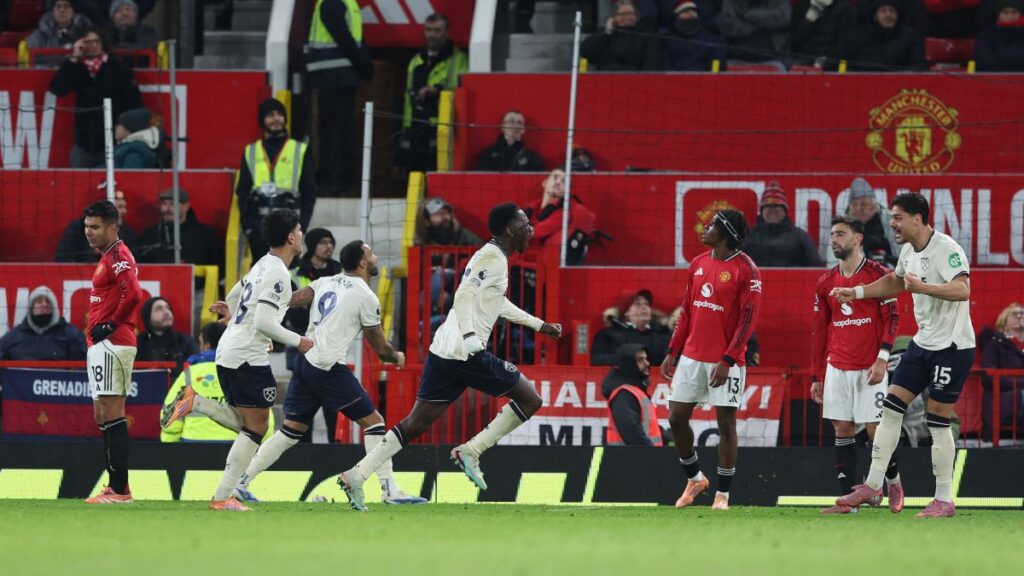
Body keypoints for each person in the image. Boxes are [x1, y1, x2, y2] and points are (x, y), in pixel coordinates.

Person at [337, 203, 564, 511]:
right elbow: (464, 294)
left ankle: (357, 474)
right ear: (510, 230)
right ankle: (472, 450)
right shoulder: (491, 258)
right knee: (530, 400)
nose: (530, 230)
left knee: (416, 423)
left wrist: (539, 325)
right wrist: (472, 338)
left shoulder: (493, 256)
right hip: (464, 352)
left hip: (444, 349)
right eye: (525, 225)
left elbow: (497, 302)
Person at [220, 241, 426, 505]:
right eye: (371, 254)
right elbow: (380, 347)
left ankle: (242, 482)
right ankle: (389, 490)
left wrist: (243, 311)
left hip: (306, 362)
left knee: (291, 431)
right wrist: (396, 357)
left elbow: (290, 300)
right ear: (363, 263)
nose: (375, 257)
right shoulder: (366, 297)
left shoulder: (325, 281)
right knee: (374, 422)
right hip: (327, 366)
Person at [834, 192, 974, 518]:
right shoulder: (908, 250)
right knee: (891, 407)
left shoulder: (947, 249)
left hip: (952, 347)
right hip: (923, 345)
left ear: (917, 218)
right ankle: (872, 484)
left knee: (937, 421)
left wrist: (924, 288)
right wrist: (856, 292)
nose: (892, 223)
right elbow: (896, 283)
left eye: (897, 217)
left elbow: (963, 289)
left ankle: (943, 499)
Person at [195, 209, 314, 511]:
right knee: (257, 427)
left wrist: (232, 312)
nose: (301, 235)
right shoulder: (279, 274)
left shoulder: (264, 263)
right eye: (299, 230)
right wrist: (298, 341)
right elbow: (263, 322)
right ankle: (223, 497)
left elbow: (236, 292)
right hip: (247, 355)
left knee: (253, 425)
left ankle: (200, 405)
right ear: (290, 237)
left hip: (231, 350)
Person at [662, 209, 760, 511]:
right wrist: (672, 351)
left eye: (713, 225)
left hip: (725, 361)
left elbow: (748, 321)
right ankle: (695, 478)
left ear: (727, 232)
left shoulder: (747, 270)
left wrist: (728, 359)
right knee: (676, 417)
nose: (705, 228)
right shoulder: (698, 264)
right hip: (691, 357)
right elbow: (687, 312)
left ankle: (723, 495)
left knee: (725, 424)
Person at [811, 216, 903, 514]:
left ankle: (894, 482)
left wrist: (882, 358)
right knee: (842, 428)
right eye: (832, 234)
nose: (833, 239)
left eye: (840, 234)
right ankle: (849, 503)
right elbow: (820, 332)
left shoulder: (879, 275)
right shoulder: (825, 283)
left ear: (858, 239)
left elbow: (892, 319)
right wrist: (816, 375)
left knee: (877, 430)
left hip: (871, 367)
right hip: (837, 366)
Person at [81, 200, 143, 504]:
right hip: (101, 343)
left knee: (113, 410)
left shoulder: (119, 255)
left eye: (95, 227)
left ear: (112, 228)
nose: (89, 233)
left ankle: (120, 490)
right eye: (86, 227)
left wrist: (111, 323)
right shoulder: (107, 256)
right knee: (101, 413)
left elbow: (134, 293)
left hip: (114, 341)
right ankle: (113, 486)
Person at [48, 26, 143, 168]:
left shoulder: (117, 66)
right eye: (88, 42)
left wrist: (122, 128)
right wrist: (73, 57)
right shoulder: (77, 68)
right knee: (77, 184)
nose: (92, 46)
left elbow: (134, 101)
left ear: (102, 43)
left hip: (112, 140)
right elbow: (58, 89)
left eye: (96, 41)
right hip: (83, 142)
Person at [236, 98, 317, 262]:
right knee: (262, 277)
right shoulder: (251, 151)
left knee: (288, 275)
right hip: (260, 226)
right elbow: (242, 191)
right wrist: (248, 226)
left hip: (289, 225)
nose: (276, 119)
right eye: (270, 115)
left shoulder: (298, 149)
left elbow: (309, 192)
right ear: (262, 120)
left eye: (280, 114)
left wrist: (303, 226)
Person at [305, 0, 372, 196]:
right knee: (343, 131)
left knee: (332, 132)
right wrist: (364, 64)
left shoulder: (333, 3)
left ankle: (329, 181)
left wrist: (362, 64)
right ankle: (344, 182)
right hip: (341, 75)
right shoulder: (344, 4)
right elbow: (348, 38)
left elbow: (345, 37)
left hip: (332, 75)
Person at [397, 13, 468, 172]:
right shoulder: (416, 60)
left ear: (447, 32)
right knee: (414, 178)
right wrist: (406, 129)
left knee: (438, 176)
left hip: (443, 129)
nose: (432, 35)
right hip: (416, 127)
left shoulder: (459, 59)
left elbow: (463, 93)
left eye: (437, 30)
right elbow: (408, 98)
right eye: (428, 30)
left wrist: (437, 90)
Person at [413, 197, 484, 333]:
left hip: (462, 296)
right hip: (435, 301)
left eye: (446, 213)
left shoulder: (469, 239)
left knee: (442, 274)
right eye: (437, 214)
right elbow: (417, 275)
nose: (444, 217)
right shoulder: (423, 243)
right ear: (427, 221)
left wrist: (449, 293)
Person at [744, 182, 824, 267]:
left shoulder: (800, 237)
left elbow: (817, 267)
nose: (772, 210)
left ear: (785, 210)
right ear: (761, 211)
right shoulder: (748, 236)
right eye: (768, 206)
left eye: (777, 206)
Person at [137, 188, 222, 267]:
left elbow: (219, 265)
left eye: (172, 204)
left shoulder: (205, 234)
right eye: (164, 204)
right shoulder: (151, 234)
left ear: (186, 206)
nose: (167, 209)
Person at [523, 168, 597, 257]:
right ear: (544, 183)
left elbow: (539, 231)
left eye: (563, 181)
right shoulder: (530, 208)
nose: (558, 182)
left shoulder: (567, 210)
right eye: (555, 177)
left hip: (549, 262)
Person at [835, 0, 926, 71]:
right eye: (883, 11)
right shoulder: (857, 37)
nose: (888, 15)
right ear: (875, 16)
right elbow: (838, 64)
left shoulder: (910, 37)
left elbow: (918, 67)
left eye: (892, 11)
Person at [0, 287, 87, 361]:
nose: (44, 304)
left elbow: (82, 367)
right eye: (39, 301)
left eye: (48, 301)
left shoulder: (71, 334)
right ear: (31, 308)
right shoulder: (12, 337)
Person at [603, 344, 665, 446]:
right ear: (629, 364)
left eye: (646, 359)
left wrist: (664, 435)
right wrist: (652, 454)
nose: (647, 363)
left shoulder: (634, 391)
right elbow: (631, 431)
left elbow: (643, 427)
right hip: (630, 459)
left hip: (637, 458)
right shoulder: (624, 393)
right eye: (640, 360)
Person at [591, 289, 671, 367]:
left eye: (647, 304)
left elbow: (674, 360)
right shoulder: (608, 335)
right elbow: (596, 360)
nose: (644, 307)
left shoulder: (663, 334)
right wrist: (626, 359)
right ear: (626, 313)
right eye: (637, 304)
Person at [978, 303, 1024, 437]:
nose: (1020, 316)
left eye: (1022, 313)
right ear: (1003, 320)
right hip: (1005, 401)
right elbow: (989, 378)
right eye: (1015, 314)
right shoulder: (994, 344)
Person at [56, 190, 138, 262]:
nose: (124, 211)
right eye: (119, 207)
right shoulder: (78, 229)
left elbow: (135, 263)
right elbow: (63, 259)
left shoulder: (127, 233)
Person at [580, 0, 664, 71]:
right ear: (615, 17)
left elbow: (652, 63)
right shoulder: (604, 33)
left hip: (636, 82)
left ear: (636, 16)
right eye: (623, 14)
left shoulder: (647, 35)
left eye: (631, 13)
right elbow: (585, 52)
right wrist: (607, 32)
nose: (627, 17)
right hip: (606, 81)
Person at [135, 296, 197, 378]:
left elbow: (195, 372)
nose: (166, 312)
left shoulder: (186, 342)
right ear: (147, 316)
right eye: (159, 309)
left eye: (168, 308)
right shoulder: (137, 344)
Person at [844, 177, 898, 267]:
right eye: (854, 205)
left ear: (874, 207)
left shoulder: (891, 220)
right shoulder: (841, 226)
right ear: (850, 208)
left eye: (865, 205)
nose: (859, 209)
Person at [718, 0, 791, 64]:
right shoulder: (733, 2)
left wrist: (748, 16)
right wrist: (755, 27)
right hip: (739, 50)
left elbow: (785, 18)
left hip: (774, 52)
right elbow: (727, 25)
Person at [661, 1, 727, 72]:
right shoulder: (666, 41)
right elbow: (665, 68)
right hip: (673, 81)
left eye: (694, 11)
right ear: (676, 17)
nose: (691, 14)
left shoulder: (714, 41)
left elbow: (716, 69)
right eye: (686, 12)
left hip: (706, 81)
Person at [790, 0, 856, 67]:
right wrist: (809, 20)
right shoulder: (801, 5)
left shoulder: (845, 8)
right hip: (804, 60)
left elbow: (844, 47)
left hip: (832, 62)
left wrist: (825, 62)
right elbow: (795, 45)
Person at [475, 110, 544, 173]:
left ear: (524, 129)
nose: (515, 125)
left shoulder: (532, 157)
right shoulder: (487, 154)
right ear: (502, 127)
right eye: (511, 121)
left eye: (519, 123)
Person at [974, 0, 1024, 72]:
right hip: (992, 81)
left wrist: (1000, 55)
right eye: (1005, 12)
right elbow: (982, 64)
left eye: (1014, 12)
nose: (1010, 16)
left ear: (1020, 14)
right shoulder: (986, 36)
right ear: (998, 14)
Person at [26, 0, 92, 50]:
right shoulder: (39, 35)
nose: (62, 10)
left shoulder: (86, 33)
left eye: (66, 6)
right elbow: (33, 62)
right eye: (58, 6)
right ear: (53, 12)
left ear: (73, 12)